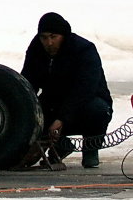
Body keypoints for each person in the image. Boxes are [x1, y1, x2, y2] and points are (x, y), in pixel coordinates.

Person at [20, 12, 113, 169]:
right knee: (34, 113)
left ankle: (91, 149)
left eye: (53, 37)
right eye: (44, 38)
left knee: (97, 110)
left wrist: (62, 118)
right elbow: (29, 82)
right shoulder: (36, 49)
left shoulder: (84, 50)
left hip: (84, 103)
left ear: (62, 35)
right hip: (53, 102)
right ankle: (61, 145)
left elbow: (85, 89)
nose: (48, 43)